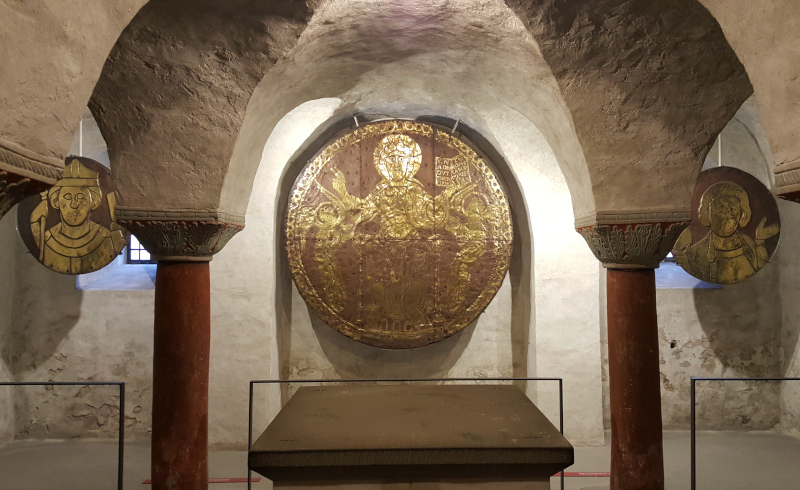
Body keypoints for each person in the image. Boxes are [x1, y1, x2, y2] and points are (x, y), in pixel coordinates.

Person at [31, 159, 126, 274]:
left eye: (81, 197)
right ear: (56, 202)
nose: (74, 204)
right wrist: (34, 221)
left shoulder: (105, 239)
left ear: (93, 202)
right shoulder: (47, 240)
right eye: (67, 197)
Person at [674, 181, 779, 284]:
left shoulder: (751, 247)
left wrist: (760, 243)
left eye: (732, 209)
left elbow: (760, 265)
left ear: (742, 215)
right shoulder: (696, 253)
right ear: (708, 213)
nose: (726, 216)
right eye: (720, 209)